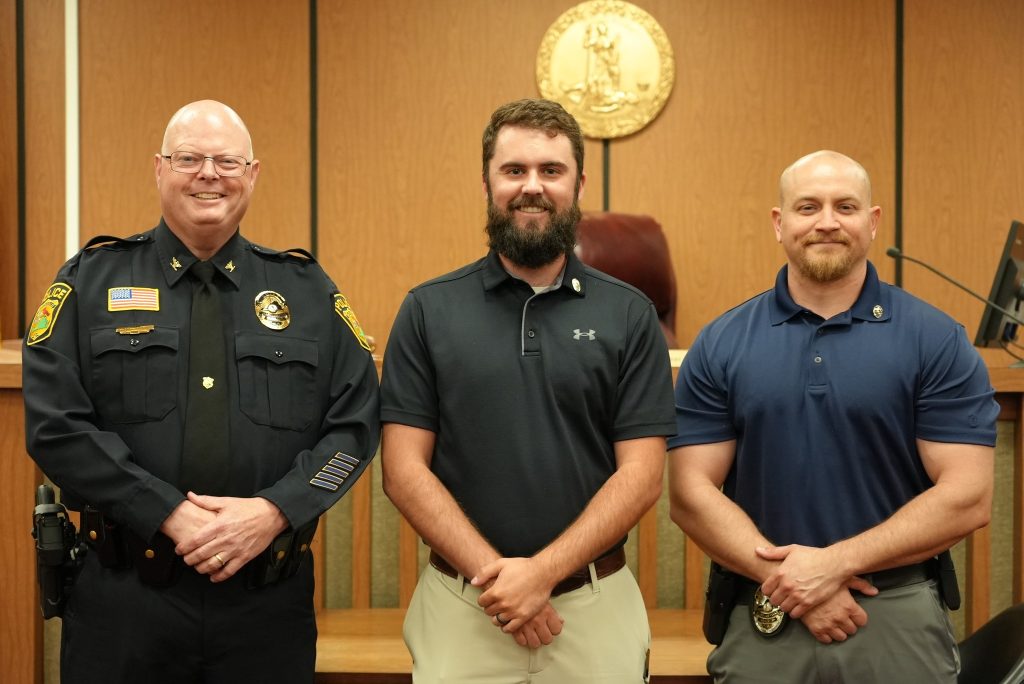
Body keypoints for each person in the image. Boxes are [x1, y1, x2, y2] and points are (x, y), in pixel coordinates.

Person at [23, 100, 380, 683]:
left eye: (226, 161)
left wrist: (275, 510)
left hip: (266, 608)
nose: (208, 174)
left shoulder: (308, 291)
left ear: (253, 174)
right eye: (189, 158)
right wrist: (163, 512)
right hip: (124, 605)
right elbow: (53, 426)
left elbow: (356, 425)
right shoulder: (90, 281)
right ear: (160, 169)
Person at [668, 150, 998, 682]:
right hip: (764, 612)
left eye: (845, 206)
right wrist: (793, 581)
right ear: (780, 224)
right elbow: (689, 495)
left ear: (872, 223)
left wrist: (833, 565)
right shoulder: (722, 343)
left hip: (892, 609)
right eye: (807, 207)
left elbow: (968, 496)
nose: (826, 221)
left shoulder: (935, 340)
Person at [380, 98, 675, 683]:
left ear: (579, 182)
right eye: (513, 170)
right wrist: (499, 579)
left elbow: (641, 475)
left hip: (594, 605)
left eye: (551, 171)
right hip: (465, 606)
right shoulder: (427, 310)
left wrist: (540, 575)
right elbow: (403, 472)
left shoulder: (630, 314)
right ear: (487, 181)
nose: (531, 187)